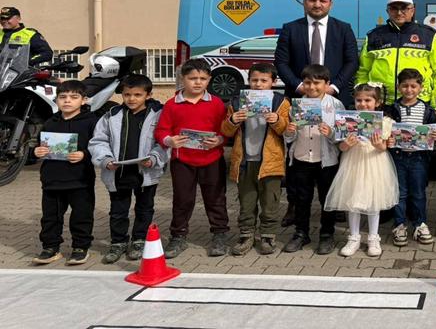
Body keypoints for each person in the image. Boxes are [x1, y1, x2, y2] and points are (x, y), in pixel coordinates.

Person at [154, 58, 229, 259]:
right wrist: (170, 141)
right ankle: (178, 236)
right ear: (183, 79)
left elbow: (225, 129)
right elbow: (161, 131)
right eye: (192, 78)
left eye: (203, 78)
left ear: (209, 80)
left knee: (216, 199)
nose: (198, 82)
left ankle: (220, 234)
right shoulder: (172, 105)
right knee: (182, 200)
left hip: (212, 159)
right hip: (182, 161)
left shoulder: (216, 103)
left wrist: (220, 140)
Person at [88, 74, 167, 264]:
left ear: (148, 95)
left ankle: (139, 240)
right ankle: (118, 241)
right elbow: (98, 140)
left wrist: (155, 158)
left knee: (144, 208)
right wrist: (105, 159)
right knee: (118, 210)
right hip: (118, 173)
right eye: (127, 95)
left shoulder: (159, 114)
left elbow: (164, 142)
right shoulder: (112, 115)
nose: (132, 99)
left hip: (145, 173)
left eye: (137, 95)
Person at [221, 63, 290, 256]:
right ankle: (246, 235)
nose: (258, 84)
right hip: (245, 161)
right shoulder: (237, 102)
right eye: (254, 80)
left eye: (263, 80)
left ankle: (268, 236)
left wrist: (276, 120)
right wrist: (233, 120)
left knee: (270, 201)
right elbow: (225, 131)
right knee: (247, 200)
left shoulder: (281, 102)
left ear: (273, 82)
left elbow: (286, 130)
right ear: (248, 81)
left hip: (270, 161)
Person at [326, 83, 399, 257]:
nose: (363, 104)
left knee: (374, 201)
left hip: (375, 163)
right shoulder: (346, 120)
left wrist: (378, 144)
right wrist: (346, 143)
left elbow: (384, 148)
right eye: (359, 100)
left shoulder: (385, 122)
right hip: (353, 163)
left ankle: (374, 237)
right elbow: (341, 148)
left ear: (377, 102)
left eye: (368, 100)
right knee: (353, 201)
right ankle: (354, 237)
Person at [32, 80, 98, 265]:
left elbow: (98, 146)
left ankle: (80, 247)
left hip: (80, 180)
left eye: (73, 97)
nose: (67, 101)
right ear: (57, 100)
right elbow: (37, 146)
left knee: (81, 216)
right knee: (50, 217)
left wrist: (84, 154)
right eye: (63, 97)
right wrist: (36, 152)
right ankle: (50, 247)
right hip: (52, 179)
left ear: (83, 100)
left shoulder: (91, 122)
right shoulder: (50, 122)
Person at [282, 64, 342, 255]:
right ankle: (301, 233)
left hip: (326, 161)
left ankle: (326, 234)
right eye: (307, 83)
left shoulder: (336, 105)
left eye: (317, 83)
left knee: (327, 200)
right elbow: (289, 138)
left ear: (327, 84)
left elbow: (342, 136)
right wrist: (289, 132)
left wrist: (331, 133)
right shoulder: (297, 104)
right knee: (301, 199)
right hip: (301, 158)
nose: (312, 87)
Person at [356, 0, 436, 109]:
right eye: (394, 8)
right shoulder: (374, 36)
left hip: (418, 104)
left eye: (404, 8)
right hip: (382, 104)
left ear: (412, 10)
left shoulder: (429, 35)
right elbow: (363, 72)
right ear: (388, 11)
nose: (399, 13)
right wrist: (364, 100)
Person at [275, 0, 359, 108]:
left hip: (335, 97)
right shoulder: (290, 29)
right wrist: (299, 86)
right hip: (298, 97)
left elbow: (352, 62)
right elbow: (281, 62)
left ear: (331, 4)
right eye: (312, 0)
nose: (317, 4)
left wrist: (333, 87)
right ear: (304, 3)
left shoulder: (343, 29)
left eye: (322, 1)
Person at [385, 68, 436, 246]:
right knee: (399, 193)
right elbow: (386, 131)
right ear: (399, 87)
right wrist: (389, 139)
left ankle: (420, 223)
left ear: (421, 87)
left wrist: (435, 136)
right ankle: (399, 225)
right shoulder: (392, 109)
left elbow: (435, 132)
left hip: (419, 158)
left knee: (418, 193)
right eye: (405, 86)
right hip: (398, 157)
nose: (409, 90)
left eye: (413, 86)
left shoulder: (427, 109)